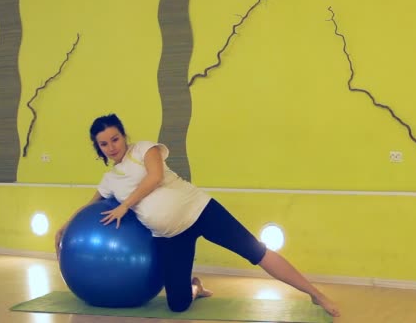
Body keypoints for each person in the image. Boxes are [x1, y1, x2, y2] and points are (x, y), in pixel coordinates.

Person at [55, 113, 340, 317]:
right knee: (177, 305)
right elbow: (90, 205)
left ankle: (316, 294)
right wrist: (65, 226)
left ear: (123, 135)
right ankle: (195, 287)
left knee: (257, 251)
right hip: (170, 236)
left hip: (200, 210)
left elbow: (154, 177)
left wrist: (125, 205)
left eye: (115, 138)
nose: (112, 146)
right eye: (104, 144)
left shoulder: (144, 149)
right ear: (99, 149)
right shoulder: (109, 180)